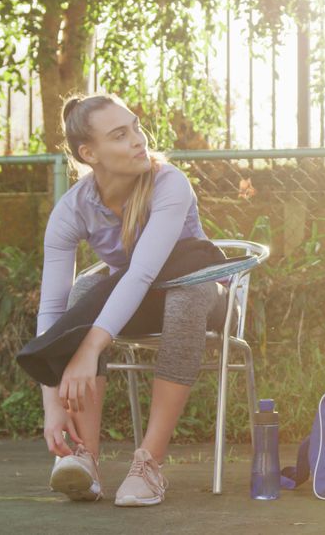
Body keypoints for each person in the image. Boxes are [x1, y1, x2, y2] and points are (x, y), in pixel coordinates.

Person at [36, 94, 224, 506]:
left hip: (200, 290)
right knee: (85, 291)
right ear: (90, 153)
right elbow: (52, 310)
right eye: (120, 135)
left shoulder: (169, 181)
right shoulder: (72, 209)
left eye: (135, 127)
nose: (138, 139)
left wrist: (90, 347)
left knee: (183, 299)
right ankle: (85, 459)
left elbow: (142, 271)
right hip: (134, 303)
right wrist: (52, 402)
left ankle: (148, 463)